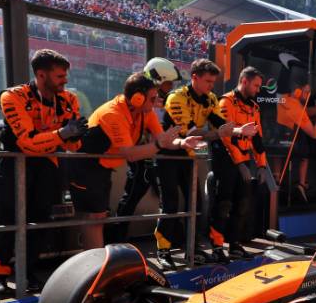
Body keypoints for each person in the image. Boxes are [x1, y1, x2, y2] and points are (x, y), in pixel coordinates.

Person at [0, 49, 85, 295]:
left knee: (40, 221)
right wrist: (62, 135)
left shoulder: (69, 99)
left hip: (47, 166)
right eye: (60, 76)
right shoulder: (13, 96)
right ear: (41, 75)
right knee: (8, 219)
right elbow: (27, 142)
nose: (65, 80)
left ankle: (28, 271)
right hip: (15, 163)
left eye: (65, 75)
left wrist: (75, 136)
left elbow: (74, 146)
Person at [69, 73, 185, 250]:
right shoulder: (113, 114)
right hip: (86, 166)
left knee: (98, 217)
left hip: (102, 167)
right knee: (94, 217)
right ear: (138, 98)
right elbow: (130, 154)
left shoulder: (146, 112)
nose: (157, 102)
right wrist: (160, 144)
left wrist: (182, 143)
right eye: (153, 98)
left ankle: (94, 260)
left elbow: (163, 139)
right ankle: (96, 264)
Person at [107, 57, 181, 243]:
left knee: (168, 202)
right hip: (142, 159)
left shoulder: (161, 103)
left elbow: (161, 133)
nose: (170, 88)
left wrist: (181, 142)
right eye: (167, 83)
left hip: (156, 158)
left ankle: (169, 241)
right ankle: (117, 240)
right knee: (131, 198)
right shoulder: (142, 103)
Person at [156, 58, 221, 267]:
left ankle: (192, 248)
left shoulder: (211, 98)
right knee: (171, 204)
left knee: (197, 203)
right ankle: (163, 251)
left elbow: (220, 123)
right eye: (208, 81)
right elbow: (190, 131)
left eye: (213, 82)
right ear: (195, 78)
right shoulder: (176, 97)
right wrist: (220, 133)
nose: (212, 86)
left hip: (190, 155)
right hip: (169, 154)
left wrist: (234, 130)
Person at [210, 67, 266, 256]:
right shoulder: (226, 102)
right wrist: (240, 163)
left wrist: (262, 165)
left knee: (242, 203)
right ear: (244, 81)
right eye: (256, 85)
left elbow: (258, 139)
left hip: (243, 161)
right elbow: (227, 136)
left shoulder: (254, 107)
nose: (258, 90)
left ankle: (234, 244)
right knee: (223, 204)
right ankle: (217, 246)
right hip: (224, 159)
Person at [276, 72, 316, 203]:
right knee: (305, 150)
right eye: (306, 92)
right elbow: (315, 134)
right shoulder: (297, 109)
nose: (308, 95)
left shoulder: (282, 98)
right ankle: (301, 183)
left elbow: (305, 112)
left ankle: (277, 177)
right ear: (298, 91)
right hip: (294, 148)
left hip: (278, 145)